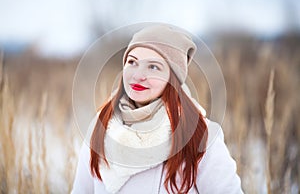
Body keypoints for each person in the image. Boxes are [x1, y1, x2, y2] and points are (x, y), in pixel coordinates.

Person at [71, 24, 244, 194]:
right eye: (132, 62)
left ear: (173, 78)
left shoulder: (199, 135)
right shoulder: (101, 126)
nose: (138, 75)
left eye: (153, 66)